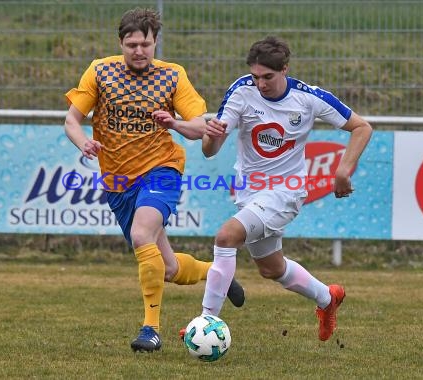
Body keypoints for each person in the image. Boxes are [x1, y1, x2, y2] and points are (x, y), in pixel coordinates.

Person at [63, 7, 244, 352]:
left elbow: (199, 126)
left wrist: (174, 123)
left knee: (141, 233)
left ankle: (150, 329)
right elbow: (72, 119)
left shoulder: (172, 76)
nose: (139, 51)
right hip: (118, 182)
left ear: (155, 42)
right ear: (121, 43)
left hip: (162, 171)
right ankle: (216, 273)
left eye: (145, 44)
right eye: (131, 44)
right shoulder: (100, 71)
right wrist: (83, 141)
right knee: (168, 269)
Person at [199, 36, 372, 341]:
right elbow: (210, 150)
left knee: (226, 237)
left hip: (285, 192)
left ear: (285, 70)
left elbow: (362, 127)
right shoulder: (241, 90)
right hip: (250, 192)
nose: (261, 84)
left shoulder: (309, 98)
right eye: (256, 76)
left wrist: (343, 171)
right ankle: (328, 298)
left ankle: (206, 322)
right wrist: (211, 137)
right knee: (271, 268)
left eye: (268, 77)